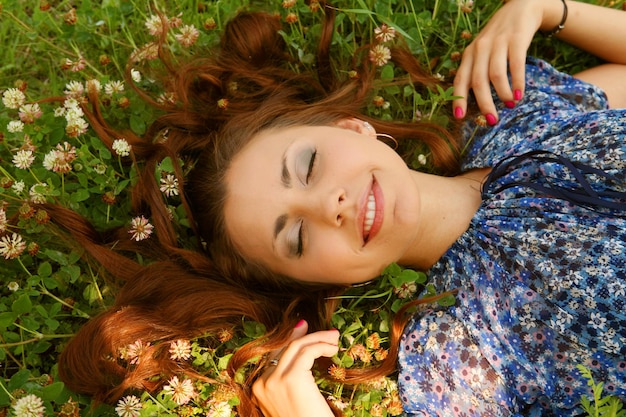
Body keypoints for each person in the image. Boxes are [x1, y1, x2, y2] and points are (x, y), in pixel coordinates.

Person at [54, 0, 626, 416]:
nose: (329, 204)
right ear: (323, 282)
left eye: (306, 166)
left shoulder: (516, 114)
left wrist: (547, 9)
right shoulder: (459, 359)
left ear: (352, 126)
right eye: (296, 239)